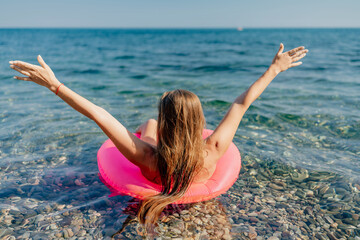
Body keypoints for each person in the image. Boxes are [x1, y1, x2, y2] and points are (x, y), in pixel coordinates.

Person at [9, 43, 308, 228]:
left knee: (147, 126)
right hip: (184, 159)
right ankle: (154, 124)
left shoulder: (147, 157)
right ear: (199, 122)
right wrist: (274, 70)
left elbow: (98, 113)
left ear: (170, 123)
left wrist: (54, 85)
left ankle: (150, 123)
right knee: (150, 129)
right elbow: (242, 103)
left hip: (158, 155)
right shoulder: (214, 148)